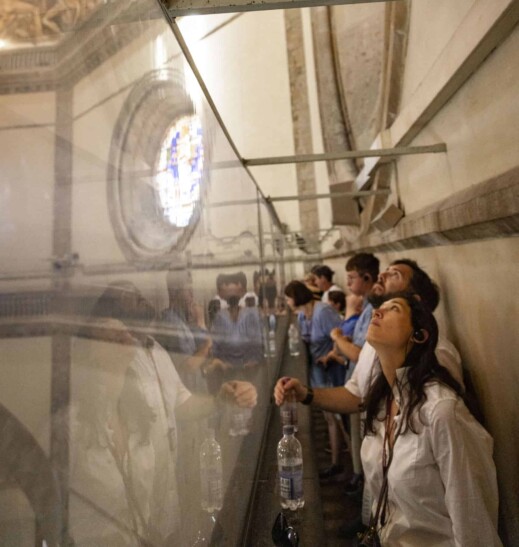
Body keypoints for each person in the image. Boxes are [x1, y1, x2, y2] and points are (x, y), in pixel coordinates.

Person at [284, 280, 344, 478]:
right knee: (330, 417)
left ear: (296, 296)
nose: (287, 301)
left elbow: (341, 336)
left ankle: (347, 463)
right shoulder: (302, 315)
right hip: (319, 372)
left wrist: (330, 355)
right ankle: (337, 461)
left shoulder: (323, 312)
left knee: (339, 417)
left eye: (288, 297)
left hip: (332, 370)